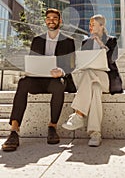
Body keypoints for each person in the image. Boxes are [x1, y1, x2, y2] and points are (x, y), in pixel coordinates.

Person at [2, 8, 76, 151]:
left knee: (59, 85)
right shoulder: (37, 40)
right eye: (49, 18)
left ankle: (52, 127)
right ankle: (14, 131)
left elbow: (71, 66)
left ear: (60, 21)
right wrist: (30, 70)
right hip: (38, 80)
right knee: (23, 83)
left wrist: (61, 71)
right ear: (45, 21)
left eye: (55, 18)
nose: (51, 20)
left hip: (55, 80)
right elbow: (32, 61)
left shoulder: (68, 41)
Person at [62, 14, 123, 147]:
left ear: (101, 26)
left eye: (93, 25)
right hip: (91, 80)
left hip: (107, 79)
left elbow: (113, 59)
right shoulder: (86, 43)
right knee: (95, 88)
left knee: (91, 75)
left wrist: (101, 44)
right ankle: (95, 134)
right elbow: (83, 63)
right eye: (89, 25)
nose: (90, 27)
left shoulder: (111, 40)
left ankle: (79, 114)